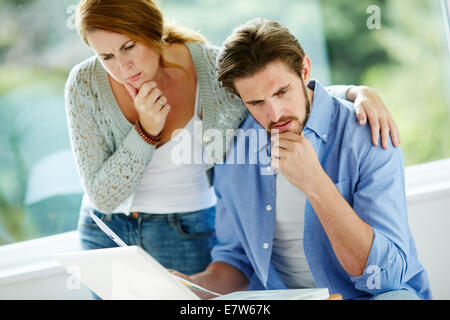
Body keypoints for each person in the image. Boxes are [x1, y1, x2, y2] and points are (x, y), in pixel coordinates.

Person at [65, 0, 400, 287]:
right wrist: (145, 132)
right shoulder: (86, 84)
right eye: (106, 56)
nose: (123, 67)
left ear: (153, 31)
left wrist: (358, 93)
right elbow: (101, 197)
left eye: (128, 47)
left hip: (187, 229)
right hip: (107, 233)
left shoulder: (211, 71)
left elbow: (278, 88)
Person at [172, 18, 432, 300]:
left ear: (304, 70)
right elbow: (236, 262)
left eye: (282, 92)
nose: (275, 114)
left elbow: (384, 278)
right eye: (256, 102)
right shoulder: (237, 147)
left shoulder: (367, 133)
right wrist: (189, 287)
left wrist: (315, 183)